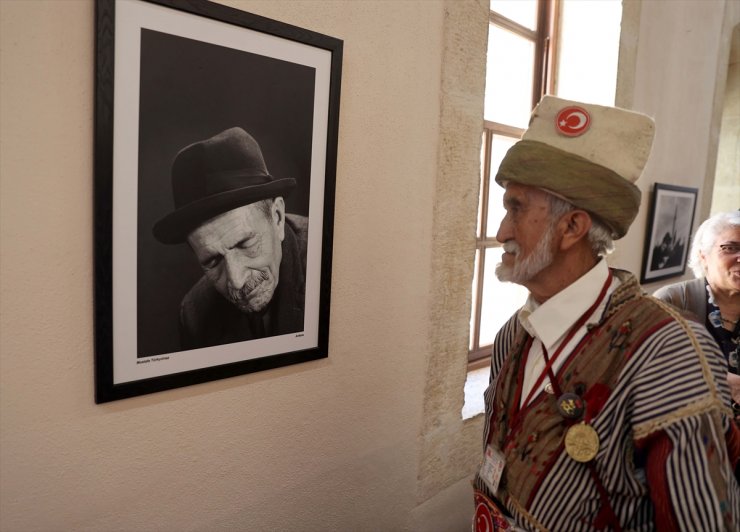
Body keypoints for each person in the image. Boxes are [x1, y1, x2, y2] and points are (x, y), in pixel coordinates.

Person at [472, 96, 739, 531]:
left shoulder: (671, 353)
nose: (502, 232)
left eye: (516, 209)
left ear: (572, 227)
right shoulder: (513, 335)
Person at [152, 127, 308, 350]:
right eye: (213, 261)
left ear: (278, 217)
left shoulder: (331, 264)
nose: (236, 280)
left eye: (245, 243)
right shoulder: (194, 315)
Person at [654, 211, 740, 418]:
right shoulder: (672, 301)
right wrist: (722, 380)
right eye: (730, 248)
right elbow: (648, 370)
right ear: (703, 255)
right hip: (688, 433)